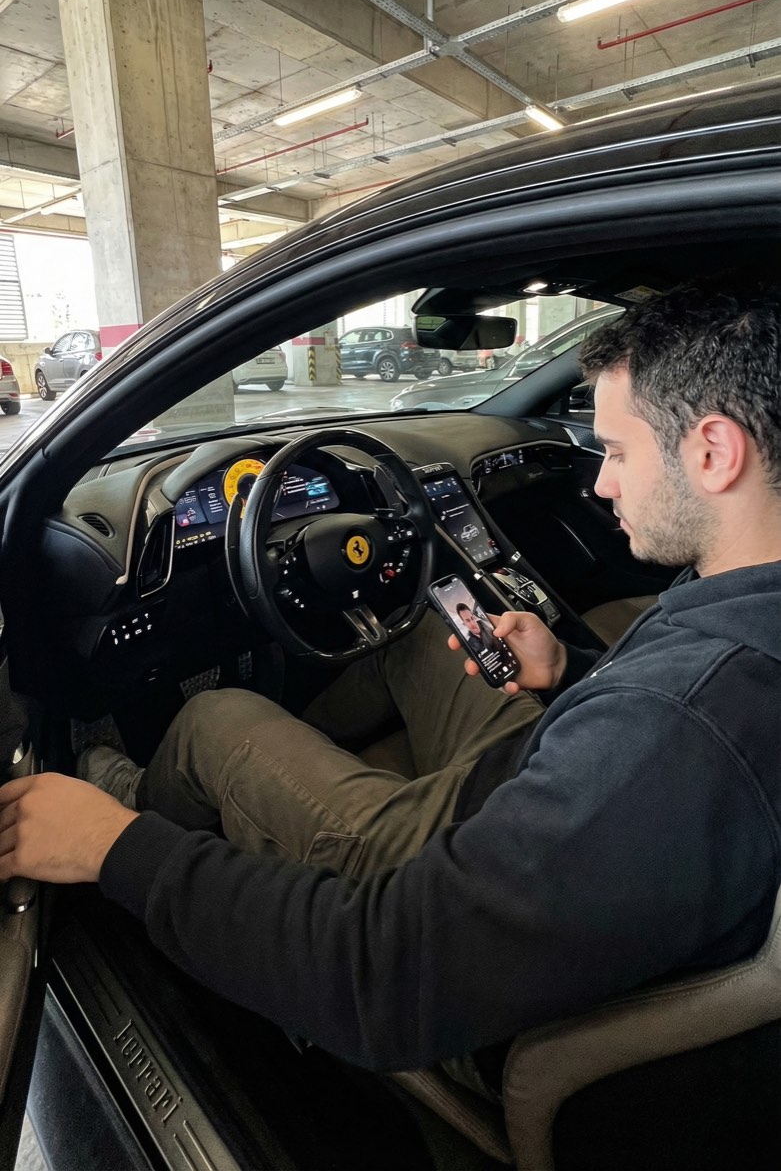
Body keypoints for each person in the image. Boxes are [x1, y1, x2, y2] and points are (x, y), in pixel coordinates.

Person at [1, 279, 780, 1089]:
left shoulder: (678, 725)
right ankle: (276, 797)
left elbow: (381, 978)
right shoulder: (740, 609)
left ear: (714, 452)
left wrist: (115, 847)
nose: (600, 482)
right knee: (421, 632)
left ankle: (142, 799)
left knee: (213, 718)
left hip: (465, 878)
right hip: (549, 770)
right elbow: (645, 720)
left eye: (616, 450)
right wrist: (570, 674)